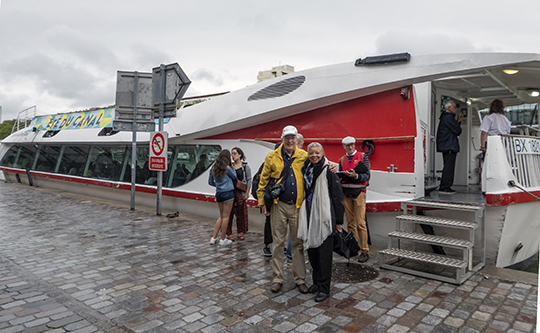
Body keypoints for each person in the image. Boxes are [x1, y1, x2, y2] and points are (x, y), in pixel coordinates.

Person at [256, 125, 310, 294]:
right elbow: (263, 181)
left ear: (296, 139)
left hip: (297, 206)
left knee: (298, 244)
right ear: (282, 139)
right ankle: (277, 278)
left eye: (292, 137)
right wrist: (261, 202)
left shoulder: (304, 156)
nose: (290, 140)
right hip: (279, 205)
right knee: (278, 243)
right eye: (287, 137)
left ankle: (300, 279)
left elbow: (317, 163)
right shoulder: (272, 156)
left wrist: (330, 166)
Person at [298, 142, 344, 302]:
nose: (314, 156)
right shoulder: (307, 168)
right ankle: (317, 282)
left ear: (323, 153)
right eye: (311, 153)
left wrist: (339, 221)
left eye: (317, 153)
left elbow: (338, 196)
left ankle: (325, 288)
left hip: (325, 218)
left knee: (324, 256)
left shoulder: (329, 170)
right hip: (309, 217)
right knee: (313, 253)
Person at [338, 136, 371, 263]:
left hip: (359, 192)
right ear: (344, 146)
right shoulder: (341, 160)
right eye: (347, 145)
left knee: (361, 223)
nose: (350, 147)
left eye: (351, 144)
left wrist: (356, 175)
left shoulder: (363, 157)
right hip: (346, 193)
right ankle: (354, 247)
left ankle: (364, 250)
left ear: (354, 145)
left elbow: (367, 176)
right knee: (350, 223)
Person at [208, 149, 236, 246]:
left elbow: (210, 182)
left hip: (219, 193)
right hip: (228, 193)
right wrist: (232, 167)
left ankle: (213, 237)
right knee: (226, 216)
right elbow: (234, 176)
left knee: (221, 216)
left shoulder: (213, 168)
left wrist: (218, 186)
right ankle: (223, 239)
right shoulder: (227, 168)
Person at [436, 100, 463, 194]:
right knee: (449, 166)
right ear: (449, 108)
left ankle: (445, 186)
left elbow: (454, 129)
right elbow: (457, 130)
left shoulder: (446, 117)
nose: (456, 109)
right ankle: (445, 187)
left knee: (448, 166)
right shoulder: (448, 117)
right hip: (449, 145)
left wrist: (458, 121)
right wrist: (458, 122)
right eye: (454, 107)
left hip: (446, 145)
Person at [226, 147, 252, 241]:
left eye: (235, 153)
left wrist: (247, 193)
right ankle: (228, 232)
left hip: (240, 191)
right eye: (232, 154)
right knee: (230, 212)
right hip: (231, 191)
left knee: (241, 212)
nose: (233, 156)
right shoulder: (230, 166)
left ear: (240, 155)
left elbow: (249, 180)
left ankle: (239, 232)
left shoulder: (245, 166)